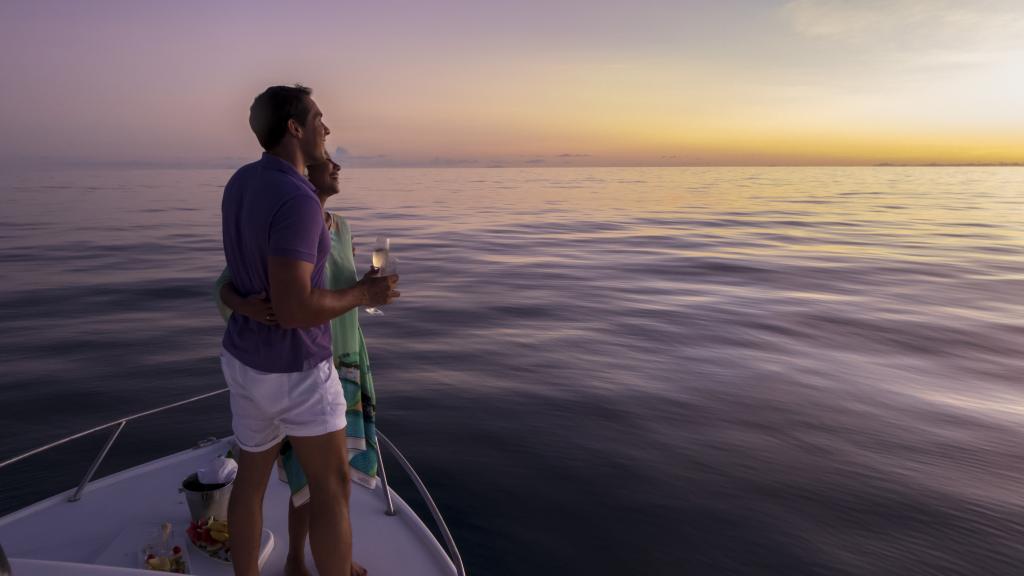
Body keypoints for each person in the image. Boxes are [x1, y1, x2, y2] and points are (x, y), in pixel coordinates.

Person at [219, 84, 398, 576]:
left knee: (250, 484)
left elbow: (242, 280)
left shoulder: (240, 183)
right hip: (296, 368)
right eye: (319, 117)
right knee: (332, 485)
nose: (327, 127)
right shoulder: (298, 200)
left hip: (243, 361)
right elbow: (295, 309)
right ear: (294, 128)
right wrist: (364, 294)